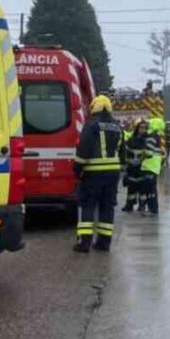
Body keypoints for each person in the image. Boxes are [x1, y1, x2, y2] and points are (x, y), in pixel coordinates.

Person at [73, 95, 123, 253]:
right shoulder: (117, 126)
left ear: (94, 106)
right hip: (113, 174)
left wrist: (77, 168)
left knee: (87, 205)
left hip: (93, 173)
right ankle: (104, 242)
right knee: (107, 207)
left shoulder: (92, 125)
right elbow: (122, 151)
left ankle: (84, 243)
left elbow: (84, 149)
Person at [138, 117, 163, 215]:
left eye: (149, 124)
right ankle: (152, 208)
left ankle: (152, 209)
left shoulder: (152, 137)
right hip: (153, 166)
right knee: (151, 188)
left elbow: (148, 152)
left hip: (149, 166)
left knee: (149, 189)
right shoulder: (156, 135)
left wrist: (140, 158)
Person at [122, 119, 148, 212]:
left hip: (143, 167)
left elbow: (151, 152)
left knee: (142, 188)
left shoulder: (148, 139)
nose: (143, 130)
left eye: (145, 128)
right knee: (131, 187)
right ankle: (129, 205)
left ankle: (142, 206)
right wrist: (129, 162)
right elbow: (126, 152)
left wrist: (142, 158)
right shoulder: (131, 139)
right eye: (141, 128)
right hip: (132, 167)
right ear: (137, 128)